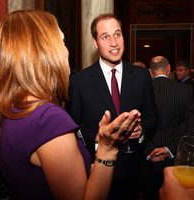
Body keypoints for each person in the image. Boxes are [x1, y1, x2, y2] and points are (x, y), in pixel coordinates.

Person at [0, 10, 142, 200]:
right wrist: (108, 149)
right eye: (62, 42)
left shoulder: (11, 109)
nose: (66, 50)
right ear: (46, 52)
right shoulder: (47, 119)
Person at [67, 13, 158, 200]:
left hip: (135, 175)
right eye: (105, 37)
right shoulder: (79, 81)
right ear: (95, 42)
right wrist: (103, 139)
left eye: (117, 34)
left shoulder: (141, 76)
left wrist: (140, 132)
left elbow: (152, 118)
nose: (114, 43)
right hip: (97, 174)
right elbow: (74, 128)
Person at [142, 56, 193, 200]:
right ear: (169, 68)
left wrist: (149, 149)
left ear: (150, 72)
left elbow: (136, 124)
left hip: (146, 158)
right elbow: (189, 125)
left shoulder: (140, 91)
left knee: (148, 195)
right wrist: (170, 148)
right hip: (174, 159)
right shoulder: (186, 91)